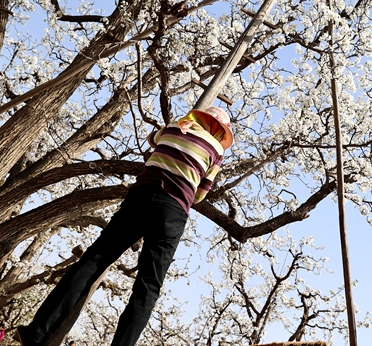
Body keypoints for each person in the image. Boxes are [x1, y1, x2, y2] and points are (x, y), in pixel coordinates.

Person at [15, 106, 234, 346]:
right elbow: (200, 195)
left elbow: (152, 140)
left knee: (93, 261)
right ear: (219, 130)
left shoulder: (173, 127)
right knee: (148, 287)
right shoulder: (216, 151)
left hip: (139, 198)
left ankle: (37, 332)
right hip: (172, 210)